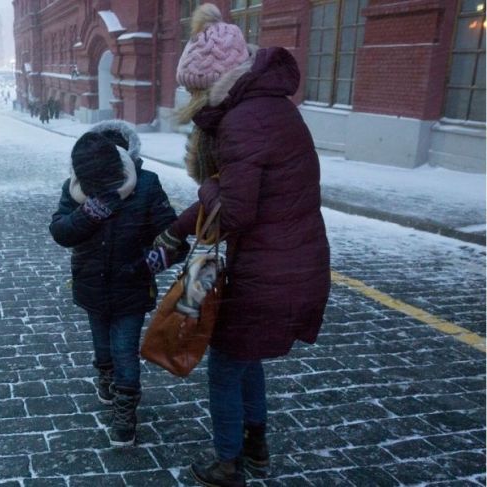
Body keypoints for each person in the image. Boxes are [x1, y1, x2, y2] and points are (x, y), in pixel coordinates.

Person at [155, 4, 331, 486]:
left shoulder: (242, 121)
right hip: (294, 261)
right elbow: (236, 193)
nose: (192, 99)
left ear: (214, 82)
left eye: (194, 88)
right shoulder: (270, 108)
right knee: (245, 356)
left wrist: (205, 191)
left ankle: (228, 462)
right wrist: (176, 230)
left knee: (226, 367)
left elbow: (233, 209)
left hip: (270, 271)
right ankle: (256, 449)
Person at [49, 120, 187, 446]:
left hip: (132, 286)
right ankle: (105, 376)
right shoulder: (76, 186)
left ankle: (126, 409)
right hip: (91, 284)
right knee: (102, 346)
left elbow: (174, 241)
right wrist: (89, 213)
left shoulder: (147, 185)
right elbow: (60, 232)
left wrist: (146, 266)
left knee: (125, 350)